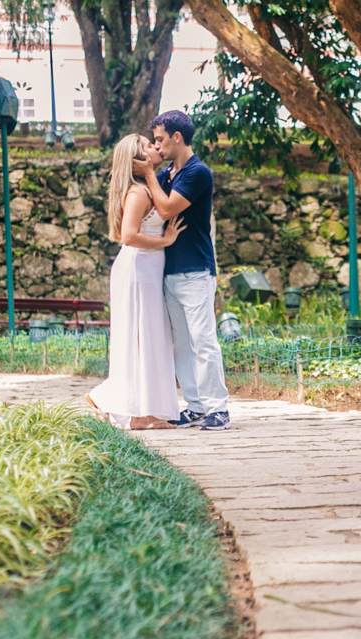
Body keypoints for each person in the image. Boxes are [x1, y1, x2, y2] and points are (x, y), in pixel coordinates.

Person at [134, 110, 231, 431]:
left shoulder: (197, 172)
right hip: (169, 270)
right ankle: (196, 406)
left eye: (160, 139)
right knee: (183, 344)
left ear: (177, 137)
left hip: (195, 270)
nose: (157, 147)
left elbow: (166, 208)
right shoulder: (166, 175)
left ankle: (219, 409)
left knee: (203, 341)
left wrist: (149, 173)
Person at [86, 134, 184, 430]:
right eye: (147, 145)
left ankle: (145, 414)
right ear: (137, 159)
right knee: (142, 337)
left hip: (147, 269)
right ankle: (112, 400)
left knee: (150, 338)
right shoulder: (138, 193)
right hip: (139, 268)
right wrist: (165, 240)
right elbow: (128, 236)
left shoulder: (149, 186)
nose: (155, 146)